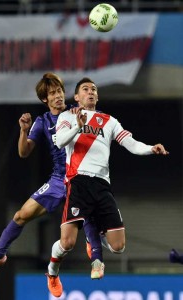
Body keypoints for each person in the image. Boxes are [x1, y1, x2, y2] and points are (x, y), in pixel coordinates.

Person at [46, 77, 169, 298]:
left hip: (102, 185)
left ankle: (97, 233)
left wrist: (152, 148)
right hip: (78, 182)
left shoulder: (109, 121)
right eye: (85, 89)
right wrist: (78, 125)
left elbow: (131, 144)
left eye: (94, 89)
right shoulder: (67, 116)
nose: (91, 92)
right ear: (76, 97)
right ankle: (52, 272)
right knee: (67, 243)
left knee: (118, 246)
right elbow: (60, 141)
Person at [0, 73, 102, 273]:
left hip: (81, 178)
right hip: (59, 180)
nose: (58, 96)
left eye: (60, 91)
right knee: (20, 215)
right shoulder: (42, 122)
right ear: (45, 99)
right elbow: (23, 152)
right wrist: (23, 131)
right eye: (53, 93)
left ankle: (95, 258)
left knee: (81, 227)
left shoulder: (76, 112)